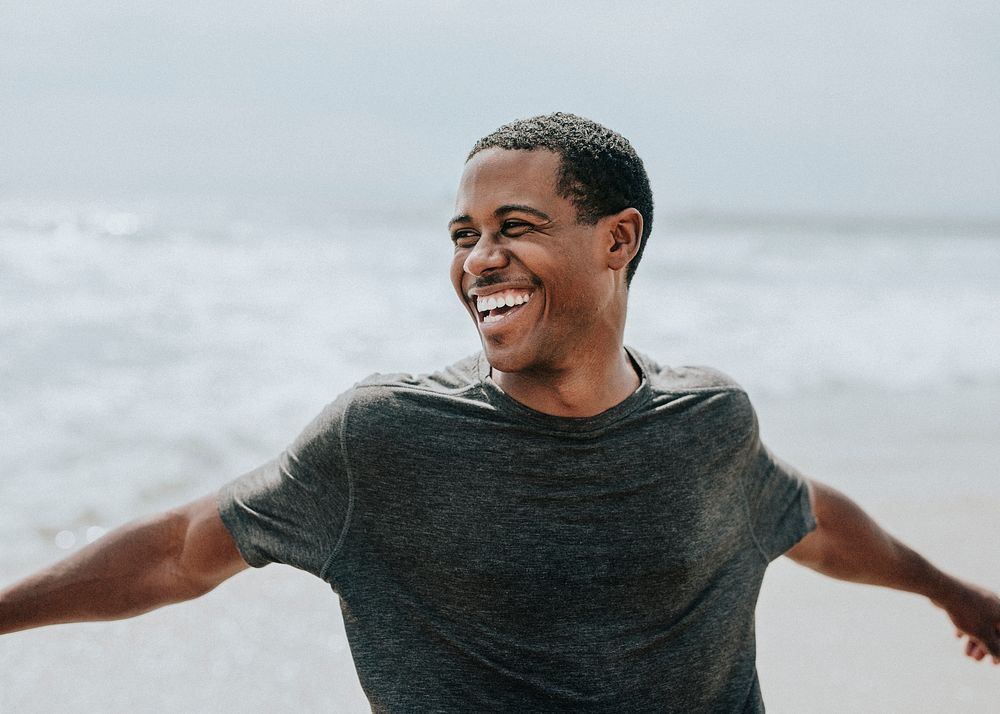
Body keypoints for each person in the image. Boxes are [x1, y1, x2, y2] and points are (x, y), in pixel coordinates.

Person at [1, 112, 998, 712]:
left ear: (618, 239)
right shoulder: (383, 437)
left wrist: (953, 593)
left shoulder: (709, 424)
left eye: (515, 228)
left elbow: (807, 519)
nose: (479, 260)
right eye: (464, 233)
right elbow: (181, 549)